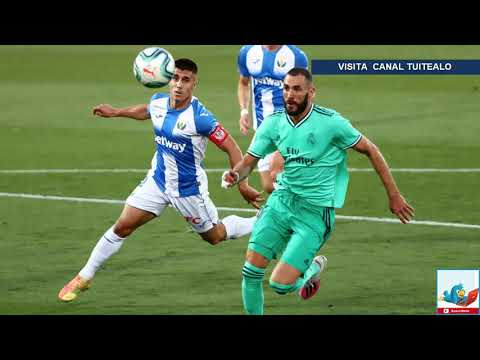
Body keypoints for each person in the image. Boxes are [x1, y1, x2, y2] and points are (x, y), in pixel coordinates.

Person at [58, 58, 263, 302]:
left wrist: (242, 184)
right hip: (158, 181)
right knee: (122, 226)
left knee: (215, 236)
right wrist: (117, 112)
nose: (178, 84)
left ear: (194, 84)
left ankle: (261, 221)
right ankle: (84, 276)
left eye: (185, 80)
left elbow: (232, 149)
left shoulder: (201, 118)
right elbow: (146, 111)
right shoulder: (158, 102)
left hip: (188, 190)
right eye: (175, 78)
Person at [223, 68, 415, 315]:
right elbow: (249, 161)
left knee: (279, 285)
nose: (289, 95)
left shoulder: (331, 122)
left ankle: (311, 268)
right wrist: (235, 174)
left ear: (310, 92)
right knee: (250, 272)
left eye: (297, 89)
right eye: (286, 88)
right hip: (281, 202)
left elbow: (371, 150)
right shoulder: (274, 123)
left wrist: (394, 195)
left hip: (314, 213)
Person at [237, 45, 308, 194]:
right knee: (269, 186)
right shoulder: (247, 53)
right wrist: (244, 111)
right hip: (263, 129)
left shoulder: (296, 56)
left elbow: (305, 95)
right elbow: (243, 83)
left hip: (287, 128)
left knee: (279, 178)